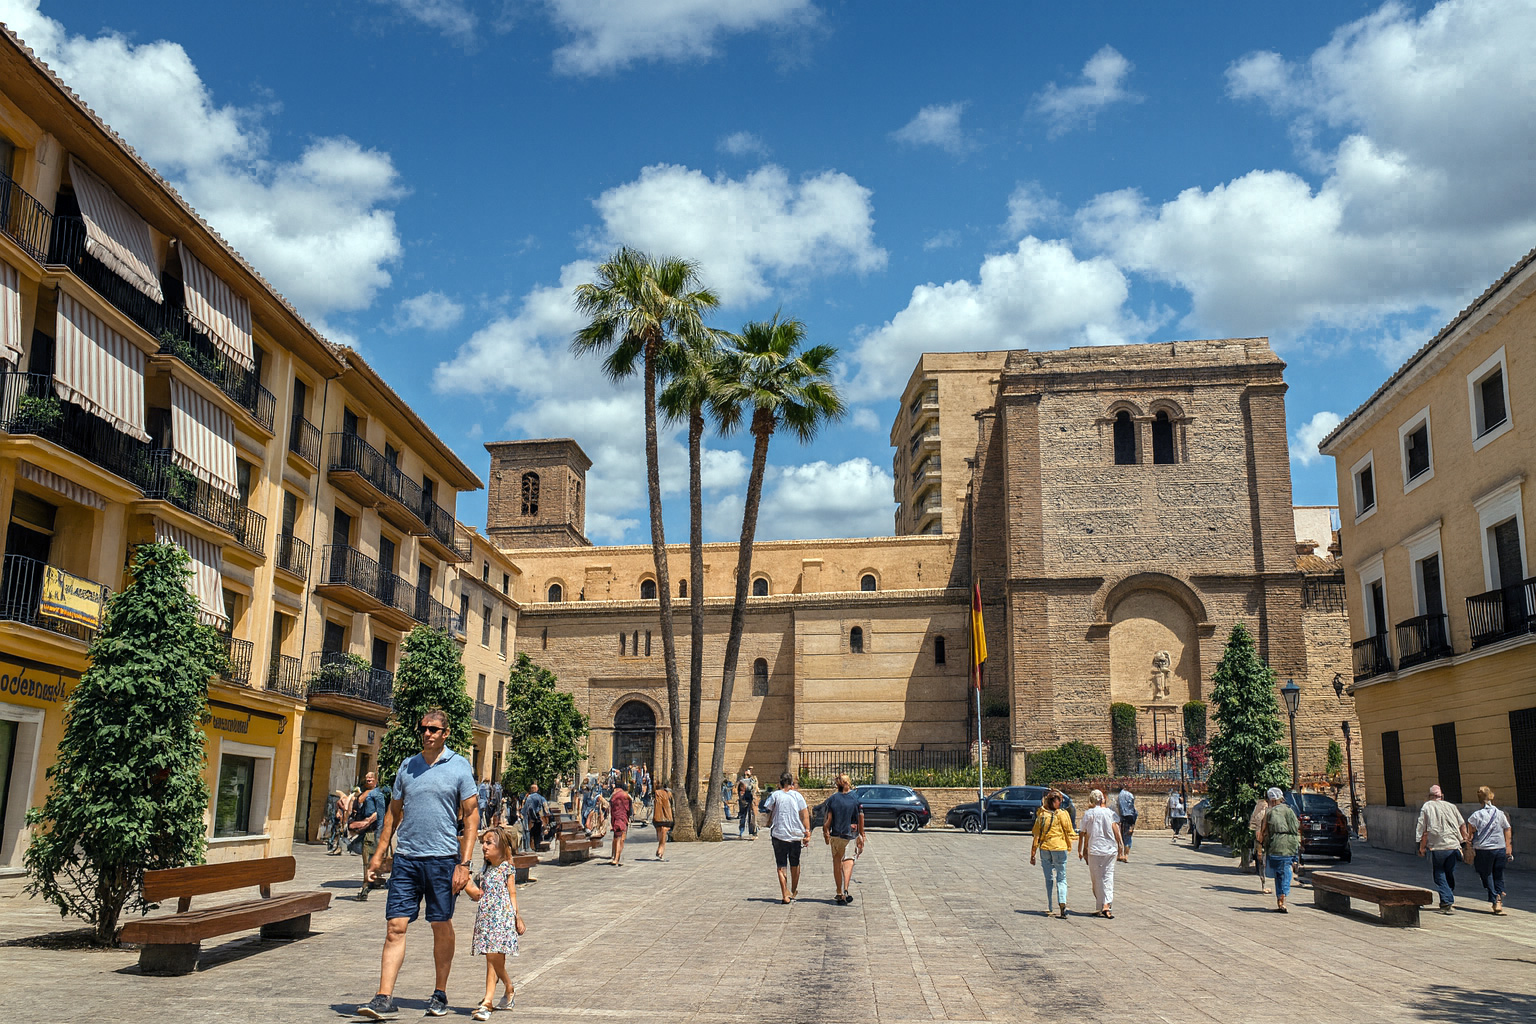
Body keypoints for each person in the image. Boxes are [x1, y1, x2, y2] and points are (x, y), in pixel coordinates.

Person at [356, 708, 479, 1020]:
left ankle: (440, 992)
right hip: (407, 859)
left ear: (445, 733)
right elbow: (393, 814)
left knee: (440, 924)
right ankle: (383, 997)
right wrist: (380, 853)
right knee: (395, 926)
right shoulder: (407, 766)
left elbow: (472, 816)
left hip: (442, 859)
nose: (428, 733)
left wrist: (464, 863)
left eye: (435, 729)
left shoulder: (459, 766)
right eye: (424, 728)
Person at [464, 825, 524, 1021]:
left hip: (502, 916)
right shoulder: (485, 868)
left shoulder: (506, 867)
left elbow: (512, 893)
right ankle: (505, 989)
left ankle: (489, 1000)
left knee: (493, 957)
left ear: (502, 847)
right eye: (483, 843)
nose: (484, 846)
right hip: (486, 916)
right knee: (491, 958)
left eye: (489, 843)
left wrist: (517, 916)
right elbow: (480, 891)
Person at [1417, 784, 1469, 915]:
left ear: (1430, 796)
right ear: (1442, 796)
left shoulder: (1427, 807)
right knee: (1449, 872)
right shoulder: (1451, 806)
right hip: (1453, 845)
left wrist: (1422, 847)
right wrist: (1465, 840)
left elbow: (1424, 829)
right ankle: (1447, 896)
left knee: (1439, 873)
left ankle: (1446, 901)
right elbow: (1462, 824)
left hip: (1437, 847)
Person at [762, 772, 811, 904]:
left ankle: (785, 894)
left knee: (781, 865)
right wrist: (807, 832)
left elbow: (768, 810)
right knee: (795, 863)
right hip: (795, 835)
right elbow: (805, 815)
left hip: (779, 834)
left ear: (780, 782)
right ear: (792, 783)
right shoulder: (797, 796)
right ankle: (793, 890)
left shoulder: (775, 795)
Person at [1029, 789, 1078, 919]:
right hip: (1060, 847)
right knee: (1061, 877)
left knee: (1048, 877)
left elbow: (1036, 836)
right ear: (1057, 802)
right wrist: (1071, 843)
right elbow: (1069, 831)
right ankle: (1062, 903)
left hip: (1045, 848)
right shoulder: (1063, 814)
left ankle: (1050, 905)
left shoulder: (1041, 815)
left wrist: (1033, 854)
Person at [1076, 789, 1125, 919]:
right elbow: (1116, 830)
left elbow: (1083, 833)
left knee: (1096, 878)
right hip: (1109, 849)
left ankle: (1101, 904)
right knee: (1108, 876)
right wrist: (1121, 847)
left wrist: (1081, 850)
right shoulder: (1110, 813)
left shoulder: (1088, 814)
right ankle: (1106, 904)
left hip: (1095, 850)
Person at [1467, 786, 1514, 915]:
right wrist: (1508, 845)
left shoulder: (1475, 816)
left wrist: (1468, 843)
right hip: (1499, 848)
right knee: (1498, 873)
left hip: (1483, 849)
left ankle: (1494, 897)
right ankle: (1499, 896)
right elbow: (1507, 828)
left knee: (1485, 873)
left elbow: (1470, 834)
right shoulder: (1500, 813)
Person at [821, 774, 865, 905]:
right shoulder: (855, 799)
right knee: (849, 861)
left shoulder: (832, 799)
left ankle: (839, 892)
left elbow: (827, 820)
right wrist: (862, 834)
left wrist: (826, 832)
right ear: (848, 783)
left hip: (836, 835)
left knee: (837, 862)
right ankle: (846, 888)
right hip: (850, 835)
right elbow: (860, 817)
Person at [1256, 788, 1301, 912]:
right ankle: (1282, 896)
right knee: (1284, 872)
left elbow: (1264, 832)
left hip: (1275, 846)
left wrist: (1262, 847)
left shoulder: (1269, 813)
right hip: (1288, 846)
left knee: (1279, 874)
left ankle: (1280, 899)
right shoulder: (1289, 811)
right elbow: (1294, 828)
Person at [351, 771, 387, 900]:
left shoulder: (377, 794)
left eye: (371, 778)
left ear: (376, 780)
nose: (368, 780)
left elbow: (380, 813)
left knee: (367, 862)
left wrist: (369, 824)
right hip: (366, 832)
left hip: (372, 832)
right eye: (366, 778)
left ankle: (365, 889)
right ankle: (371, 882)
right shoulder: (363, 793)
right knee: (367, 861)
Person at [1248, 796, 1271, 893]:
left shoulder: (1260, 806)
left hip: (1261, 838)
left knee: (1262, 862)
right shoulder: (1265, 808)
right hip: (1265, 838)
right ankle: (1265, 884)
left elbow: (1253, 824)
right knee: (1263, 862)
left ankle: (1264, 884)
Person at [608, 780, 632, 865]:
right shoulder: (626, 796)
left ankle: (615, 857)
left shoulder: (613, 796)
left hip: (616, 818)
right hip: (623, 818)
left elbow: (611, 809)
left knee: (617, 837)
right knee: (621, 838)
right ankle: (616, 858)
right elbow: (630, 809)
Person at [521, 784, 548, 853]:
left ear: (531, 790)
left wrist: (525, 815)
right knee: (538, 833)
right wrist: (546, 816)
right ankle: (537, 847)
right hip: (539, 818)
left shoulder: (529, 798)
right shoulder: (541, 797)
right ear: (537, 789)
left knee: (530, 833)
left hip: (531, 819)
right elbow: (546, 807)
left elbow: (526, 809)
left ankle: (529, 847)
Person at [652, 782, 674, 861]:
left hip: (657, 817)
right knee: (664, 833)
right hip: (667, 818)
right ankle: (661, 850)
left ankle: (660, 848)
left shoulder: (656, 793)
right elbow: (672, 806)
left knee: (660, 833)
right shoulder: (669, 794)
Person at [1116, 786, 1138, 856]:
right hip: (1130, 818)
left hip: (1121, 817)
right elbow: (1132, 809)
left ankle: (1120, 854)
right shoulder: (1130, 795)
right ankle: (1126, 855)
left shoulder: (1119, 795)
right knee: (1128, 837)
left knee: (1121, 836)